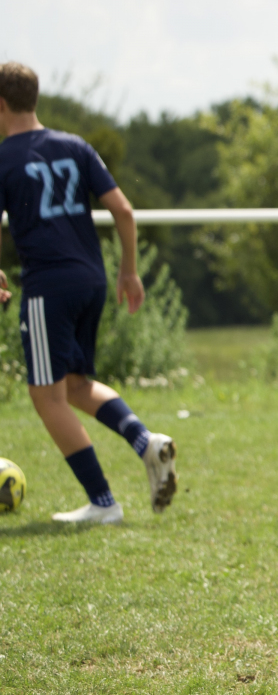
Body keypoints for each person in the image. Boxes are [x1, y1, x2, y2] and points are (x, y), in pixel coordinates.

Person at [0, 62, 177, 525]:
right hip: (91, 279)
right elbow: (124, 211)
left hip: (48, 286)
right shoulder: (75, 146)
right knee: (75, 385)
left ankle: (103, 502)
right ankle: (147, 443)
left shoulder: (5, 157)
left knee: (46, 396)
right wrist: (129, 272)